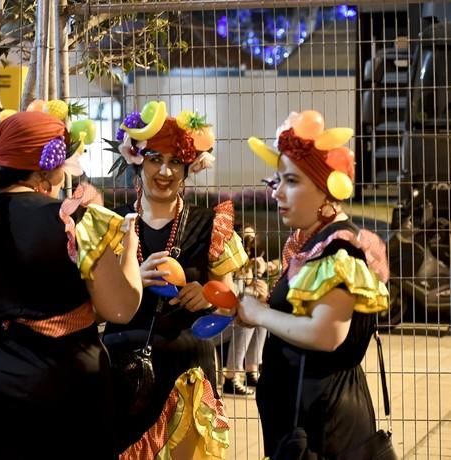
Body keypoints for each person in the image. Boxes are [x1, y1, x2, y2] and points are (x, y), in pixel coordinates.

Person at [0, 110, 142, 459]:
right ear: (48, 166)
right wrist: (129, 251)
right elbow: (120, 308)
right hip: (63, 384)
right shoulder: (75, 219)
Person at [239, 111, 390, 457]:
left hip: (326, 427)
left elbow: (326, 334)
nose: (277, 193)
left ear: (325, 190)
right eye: (276, 181)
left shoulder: (338, 248)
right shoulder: (315, 243)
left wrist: (260, 315)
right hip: (309, 418)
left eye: (291, 181)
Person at [103, 102, 248, 459]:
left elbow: (229, 296)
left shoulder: (210, 225)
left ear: (189, 167)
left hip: (188, 373)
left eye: (175, 162)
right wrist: (132, 279)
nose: (165, 171)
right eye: (155, 159)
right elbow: (94, 302)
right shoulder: (111, 225)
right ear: (137, 161)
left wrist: (210, 296)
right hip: (123, 371)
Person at [221, 226, 269, 396]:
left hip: (229, 320)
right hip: (215, 323)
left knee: (261, 314)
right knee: (246, 320)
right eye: (244, 239)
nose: (248, 244)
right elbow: (231, 301)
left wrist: (258, 285)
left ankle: (251, 371)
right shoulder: (226, 264)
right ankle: (231, 378)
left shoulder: (249, 266)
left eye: (252, 240)